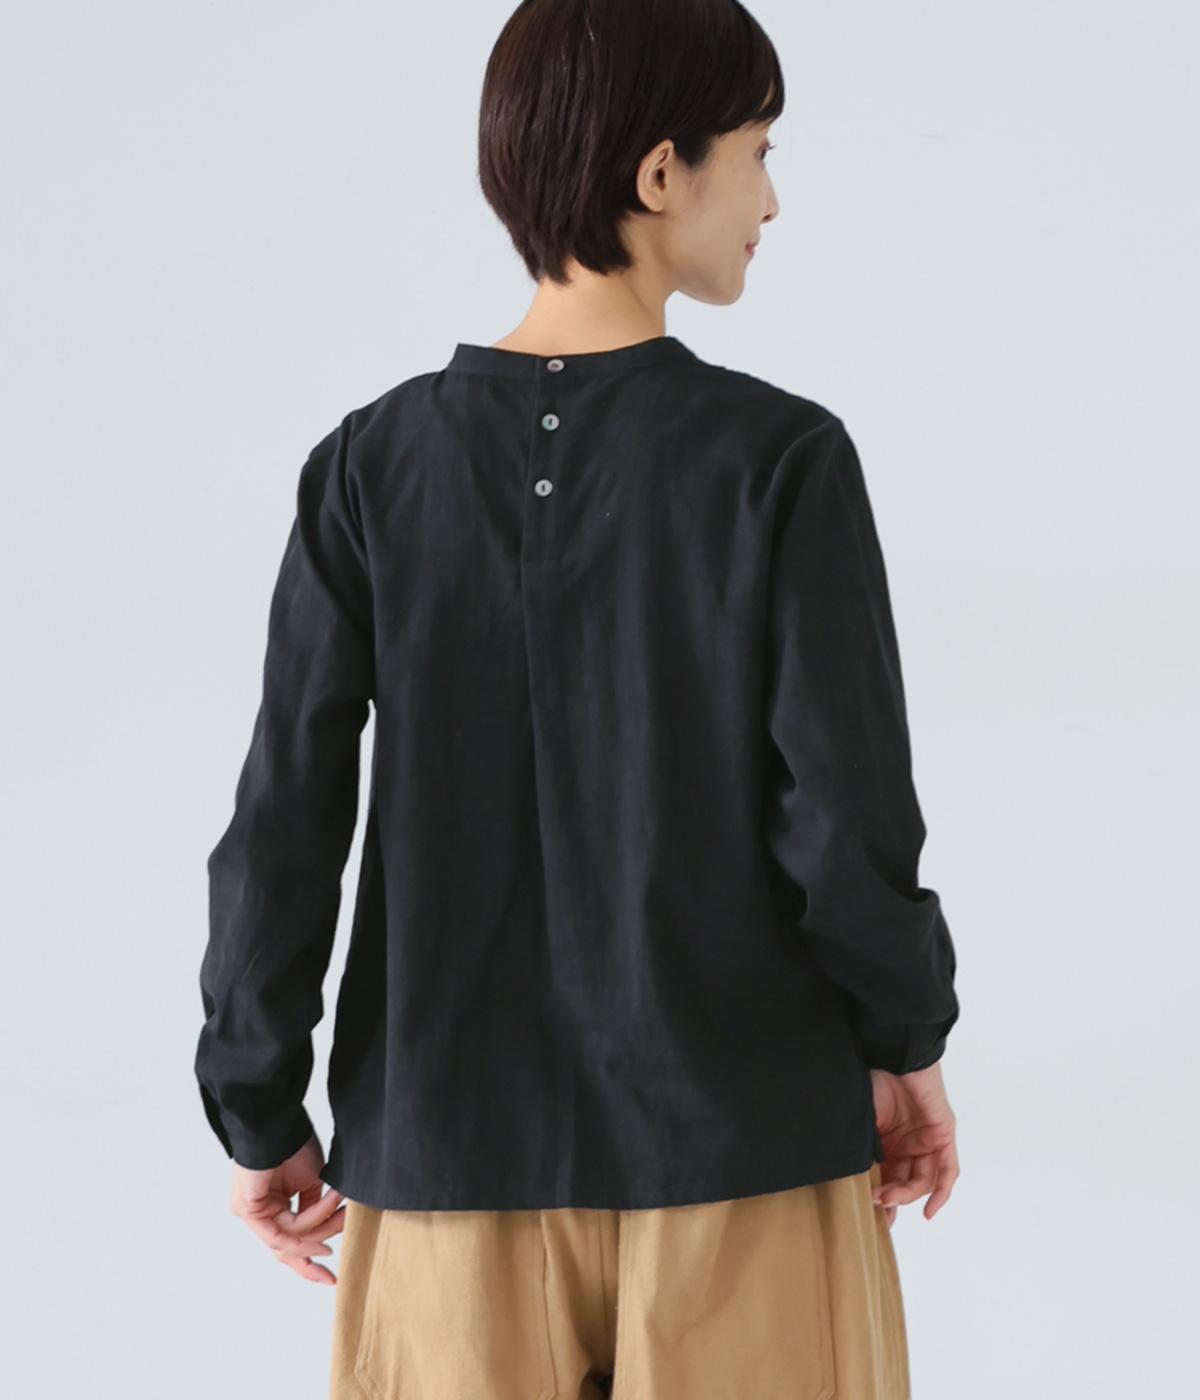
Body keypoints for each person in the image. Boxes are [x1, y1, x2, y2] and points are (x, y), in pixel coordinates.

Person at [194, 1, 962, 1395]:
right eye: (758, 152)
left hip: (445, 1161)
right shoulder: (780, 460)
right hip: (745, 1153)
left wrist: (258, 1108)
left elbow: (285, 818)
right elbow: (845, 818)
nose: (772, 201)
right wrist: (905, 1044)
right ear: (662, 173)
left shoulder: (370, 467)